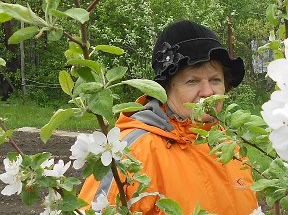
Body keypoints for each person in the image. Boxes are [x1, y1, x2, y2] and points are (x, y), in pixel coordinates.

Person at [79, 20, 259, 214]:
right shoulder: (132, 151)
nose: (208, 91)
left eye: (215, 79)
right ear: (165, 88)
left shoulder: (228, 144)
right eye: (192, 81)